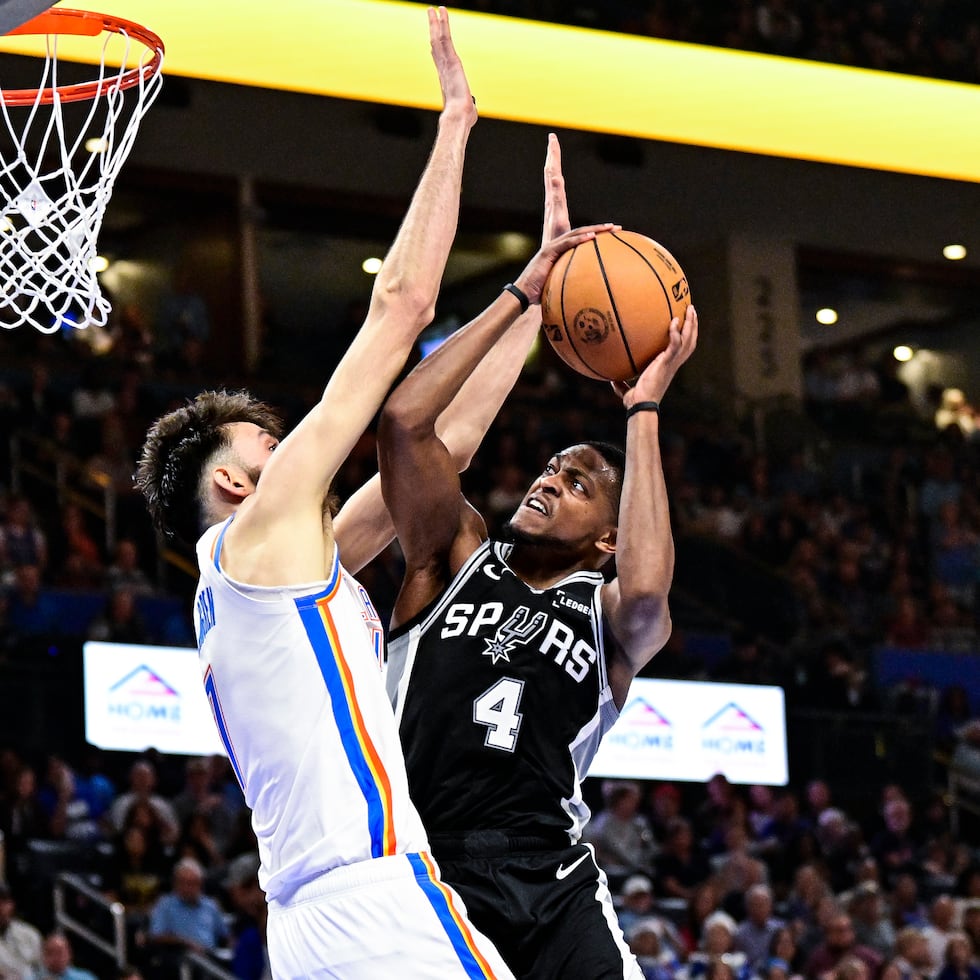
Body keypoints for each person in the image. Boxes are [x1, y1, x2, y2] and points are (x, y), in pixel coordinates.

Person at [133, 9, 595, 978]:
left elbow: (440, 445)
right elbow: (401, 309)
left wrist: (535, 301)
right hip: (372, 898)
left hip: (311, 925)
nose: (294, 448)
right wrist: (455, 126)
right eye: (270, 442)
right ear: (234, 480)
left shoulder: (273, 575)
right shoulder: (262, 534)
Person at [379, 132, 698, 977]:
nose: (550, 479)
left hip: (552, 874)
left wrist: (643, 410)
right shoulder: (452, 555)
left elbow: (648, 594)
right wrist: (522, 294)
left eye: (579, 482)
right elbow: (405, 423)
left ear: (607, 536)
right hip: (428, 864)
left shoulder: (608, 614)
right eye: (553, 467)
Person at [0, 882, 42, 980]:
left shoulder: (30, 934)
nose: (0, 908)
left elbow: (41, 969)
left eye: (4, 902)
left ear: (11, 905)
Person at [26, 932, 97, 980]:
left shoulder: (85, 977)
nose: (56, 957)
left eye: (60, 952)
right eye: (51, 952)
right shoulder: (33, 977)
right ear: (43, 955)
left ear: (69, 954)